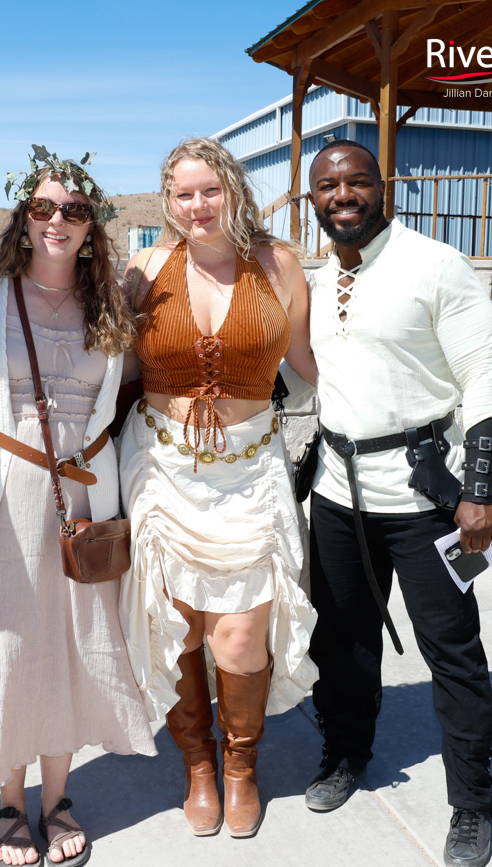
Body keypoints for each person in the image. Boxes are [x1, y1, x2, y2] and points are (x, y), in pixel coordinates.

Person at [0, 148, 156, 867]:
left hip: (85, 494)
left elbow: (135, 392)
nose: (58, 220)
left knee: (76, 641)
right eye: (44, 207)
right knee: (6, 647)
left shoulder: (114, 299)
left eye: (74, 211)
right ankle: (10, 805)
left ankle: (58, 799)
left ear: (93, 226)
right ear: (25, 217)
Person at [302, 140, 492, 867]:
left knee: (451, 652)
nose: (343, 195)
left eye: (357, 181)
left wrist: (478, 493)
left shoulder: (434, 265)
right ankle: (344, 756)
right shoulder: (315, 276)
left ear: (380, 187)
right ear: (313, 200)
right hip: (335, 494)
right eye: (328, 186)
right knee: (341, 641)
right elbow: (304, 382)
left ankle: (472, 803)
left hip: (426, 500)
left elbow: (485, 378)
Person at [117, 137, 319, 839]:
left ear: (232, 190)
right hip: (161, 468)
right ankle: (197, 765)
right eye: (182, 193)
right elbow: (99, 362)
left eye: (209, 190)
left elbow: (312, 364)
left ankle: (241, 765)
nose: (196, 206)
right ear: (166, 201)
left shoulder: (279, 265)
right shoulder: (144, 269)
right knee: (176, 631)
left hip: (251, 469)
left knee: (237, 638)